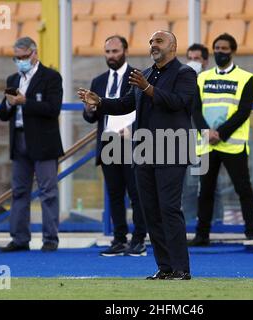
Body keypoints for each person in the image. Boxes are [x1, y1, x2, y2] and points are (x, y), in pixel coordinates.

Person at [78, 30, 196, 280]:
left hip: (171, 150)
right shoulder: (145, 75)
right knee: (150, 211)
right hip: (144, 152)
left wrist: (149, 89)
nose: (153, 45)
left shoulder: (185, 73)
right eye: (151, 41)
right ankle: (165, 268)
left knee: (169, 209)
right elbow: (125, 104)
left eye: (159, 41)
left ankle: (181, 269)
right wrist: (100, 102)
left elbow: (180, 102)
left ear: (173, 46)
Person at [189, 33, 253, 246]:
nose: (220, 52)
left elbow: (243, 111)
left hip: (232, 144)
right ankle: (202, 235)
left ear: (233, 51)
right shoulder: (202, 77)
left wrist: (220, 133)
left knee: (243, 189)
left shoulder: (246, 78)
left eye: (224, 48)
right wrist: (206, 132)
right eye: (217, 48)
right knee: (205, 191)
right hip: (207, 142)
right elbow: (195, 109)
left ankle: (251, 233)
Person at [0, 37, 64, 253]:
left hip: (43, 141)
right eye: (17, 58)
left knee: (48, 191)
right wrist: (9, 103)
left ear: (35, 54)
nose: (20, 61)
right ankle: (19, 238)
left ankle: (50, 238)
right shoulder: (13, 78)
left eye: (24, 57)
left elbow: (53, 109)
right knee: (19, 191)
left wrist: (26, 102)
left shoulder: (51, 77)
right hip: (19, 140)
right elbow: (2, 113)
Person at [83, 35, 147, 256]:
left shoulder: (139, 77)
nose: (111, 56)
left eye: (115, 51)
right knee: (115, 194)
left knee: (136, 194)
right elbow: (92, 117)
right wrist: (89, 109)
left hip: (132, 143)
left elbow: (145, 110)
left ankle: (139, 239)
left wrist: (132, 130)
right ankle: (119, 239)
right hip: (108, 143)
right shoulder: (99, 81)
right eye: (108, 52)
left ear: (125, 51)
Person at [182, 43, 224, 224]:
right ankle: (190, 223)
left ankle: (217, 221)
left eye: (197, 59)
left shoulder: (212, 82)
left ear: (205, 62)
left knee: (212, 185)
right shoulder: (181, 82)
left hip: (209, 140)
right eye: (190, 59)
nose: (193, 62)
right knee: (190, 186)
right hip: (189, 140)